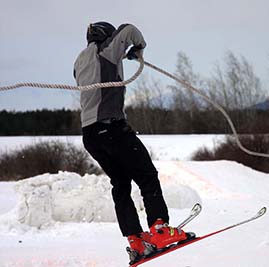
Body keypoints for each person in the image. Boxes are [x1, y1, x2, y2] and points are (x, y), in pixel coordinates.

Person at [73, 22, 187, 263]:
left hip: (90, 135)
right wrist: (139, 48)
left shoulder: (79, 62)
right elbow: (129, 30)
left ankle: (135, 240)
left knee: (121, 184)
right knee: (146, 175)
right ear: (106, 37)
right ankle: (159, 230)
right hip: (112, 128)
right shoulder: (106, 51)